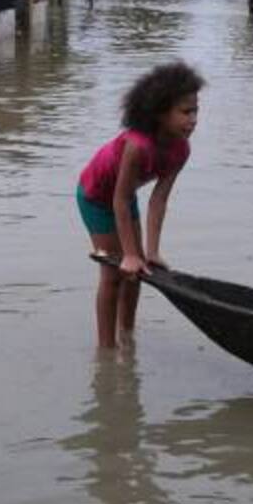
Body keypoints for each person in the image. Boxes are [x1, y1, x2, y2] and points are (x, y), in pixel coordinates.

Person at [77, 61, 203, 348]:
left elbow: (158, 201)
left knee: (138, 271)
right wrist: (129, 254)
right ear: (159, 114)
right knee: (114, 271)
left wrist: (150, 252)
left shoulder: (181, 150)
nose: (193, 119)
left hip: (124, 198)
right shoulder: (138, 145)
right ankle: (106, 349)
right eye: (185, 112)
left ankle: (128, 336)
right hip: (95, 197)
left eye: (196, 111)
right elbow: (118, 199)